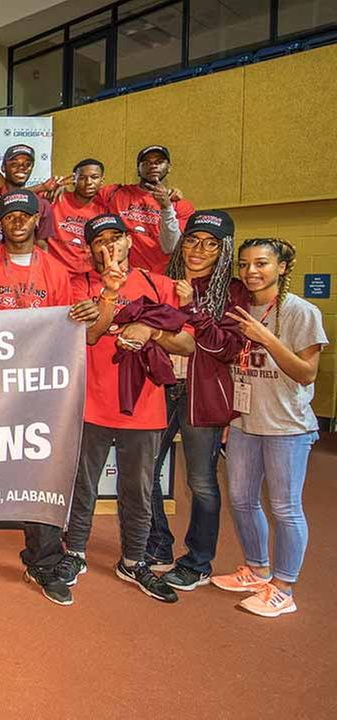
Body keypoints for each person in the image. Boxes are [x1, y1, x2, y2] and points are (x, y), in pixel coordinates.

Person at [0, 189, 100, 606]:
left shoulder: (57, 272)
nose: (17, 222)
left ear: (36, 221)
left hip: (39, 394)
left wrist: (87, 315)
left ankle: (45, 561)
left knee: (39, 477)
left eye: (24, 216)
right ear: (1, 223)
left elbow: (69, 331)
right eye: (9, 216)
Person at [62, 213, 193, 604]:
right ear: (90, 249)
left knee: (138, 488)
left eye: (115, 238)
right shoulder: (79, 284)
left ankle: (134, 560)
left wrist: (151, 331)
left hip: (145, 405)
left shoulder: (160, 284)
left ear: (129, 241)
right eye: (99, 241)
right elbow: (88, 336)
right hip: (92, 403)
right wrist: (109, 293)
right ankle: (75, 553)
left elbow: (187, 343)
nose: (108, 247)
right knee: (82, 484)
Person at [211, 238, 327, 618]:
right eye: (244, 265)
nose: (251, 272)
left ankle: (284, 586)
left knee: (285, 507)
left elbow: (306, 372)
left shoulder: (301, 311)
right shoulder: (240, 309)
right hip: (246, 422)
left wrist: (267, 339)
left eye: (261, 264)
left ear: (281, 267)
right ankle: (257, 569)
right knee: (242, 499)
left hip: (287, 427)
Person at [145, 211, 247, 588]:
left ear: (223, 250)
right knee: (145, 471)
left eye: (210, 243)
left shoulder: (234, 291)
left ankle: (198, 561)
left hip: (201, 394)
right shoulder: (162, 280)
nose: (198, 250)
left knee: (202, 481)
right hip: (161, 387)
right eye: (192, 240)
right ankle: (157, 545)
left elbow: (227, 347)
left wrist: (194, 308)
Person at [101, 145, 194, 274]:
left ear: (169, 167)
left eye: (159, 162)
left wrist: (166, 207)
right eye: (146, 163)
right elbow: (81, 198)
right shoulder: (115, 193)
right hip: (121, 275)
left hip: (161, 278)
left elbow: (172, 247)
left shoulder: (181, 205)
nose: (153, 166)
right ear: (138, 170)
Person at [0, 144, 57, 248]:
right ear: (3, 168)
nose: (21, 168)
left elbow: (42, 244)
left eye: (27, 164)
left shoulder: (42, 204)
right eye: (14, 164)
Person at [47, 158, 108, 275]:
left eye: (94, 177)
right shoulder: (56, 198)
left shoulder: (104, 210)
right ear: (74, 179)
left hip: (86, 278)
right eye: (82, 178)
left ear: (102, 180)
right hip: (54, 274)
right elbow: (17, 197)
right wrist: (43, 187)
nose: (88, 182)